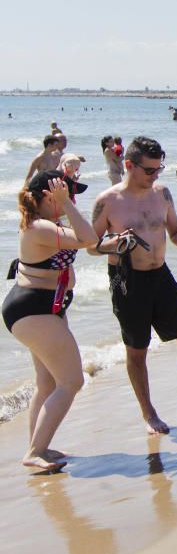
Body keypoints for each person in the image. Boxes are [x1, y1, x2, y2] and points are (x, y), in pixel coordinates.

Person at [90, 137, 177, 435]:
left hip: (160, 274)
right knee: (137, 350)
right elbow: (91, 245)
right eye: (150, 170)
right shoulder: (107, 201)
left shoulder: (163, 193)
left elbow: (175, 232)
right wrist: (115, 243)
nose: (155, 175)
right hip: (127, 281)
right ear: (129, 165)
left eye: (159, 169)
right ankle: (149, 414)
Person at [3, 171, 98, 471]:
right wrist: (67, 205)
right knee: (72, 381)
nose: (74, 200)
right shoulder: (40, 227)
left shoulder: (47, 225)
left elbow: (89, 242)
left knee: (46, 383)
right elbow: (89, 238)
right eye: (69, 194)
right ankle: (35, 452)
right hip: (34, 310)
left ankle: (37, 445)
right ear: (49, 197)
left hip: (41, 309)